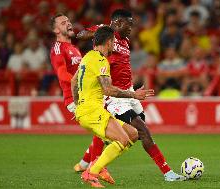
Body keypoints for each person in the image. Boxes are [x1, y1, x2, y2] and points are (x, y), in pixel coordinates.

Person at [76, 9, 185, 182]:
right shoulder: (105, 36)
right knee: (142, 131)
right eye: (129, 24)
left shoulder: (125, 41)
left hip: (129, 92)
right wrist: (100, 30)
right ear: (118, 23)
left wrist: (133, 90)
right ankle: (168, 173)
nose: (131, 29)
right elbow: (80, 35)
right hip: (116, 97)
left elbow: (123, 67)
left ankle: (91, 164)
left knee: (131, 135)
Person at [73, 25, 154, 187]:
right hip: (92, 111)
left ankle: (96, 168)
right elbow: (108, 89)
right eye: (113, 42)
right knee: (122, 140)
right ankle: (92, 172)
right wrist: (133, 94)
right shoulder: (101, 61)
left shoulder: (88, 57)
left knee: (133, 133)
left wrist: (77, 106)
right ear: (109, 42)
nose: (114, 45)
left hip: (87, 110)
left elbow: (73, 81)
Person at [49, 13, 117, 185]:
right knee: (105, 126)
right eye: (63, 23)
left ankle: (84, 164)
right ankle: (94, 167)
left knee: (103, 127)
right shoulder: (58, 48)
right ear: (56, 30)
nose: (68, 24)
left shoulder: (75, 49)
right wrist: (79, 83)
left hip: (86, 94)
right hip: (75, 97)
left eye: (69, 21)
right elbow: (62, 73)